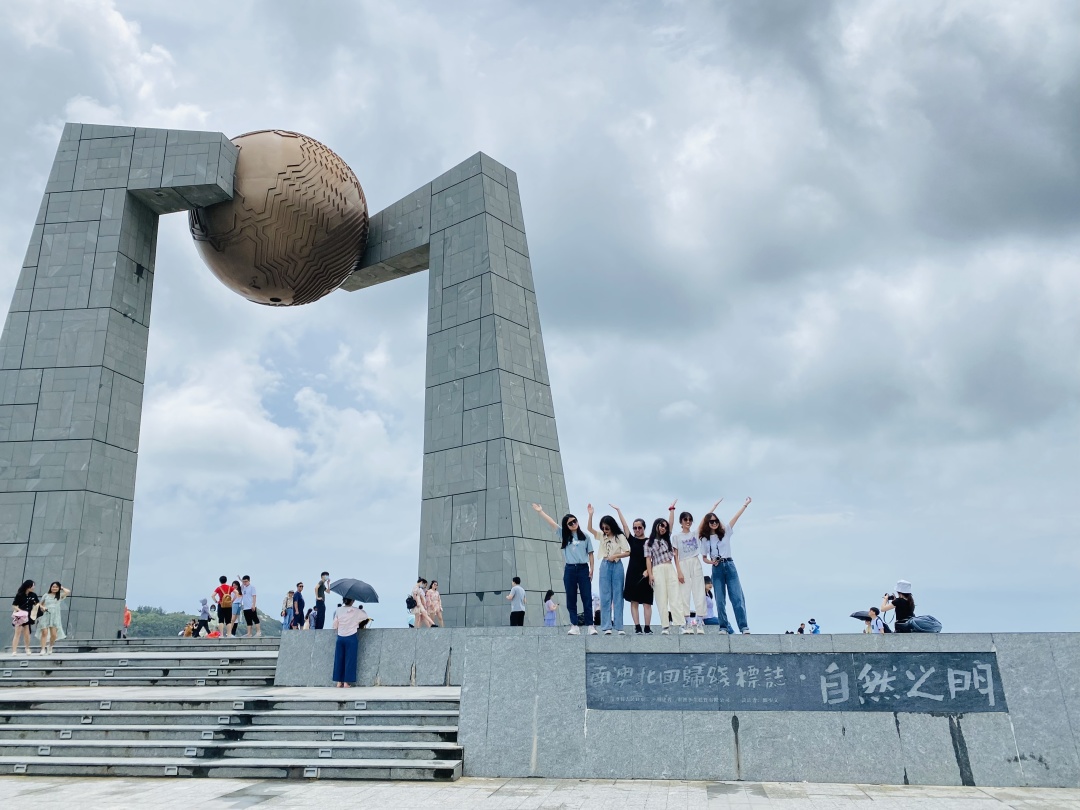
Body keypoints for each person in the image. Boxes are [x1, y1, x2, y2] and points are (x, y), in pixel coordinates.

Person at [532, 503, 597, 635]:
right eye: (570, 523)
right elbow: (552, 523)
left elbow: (590, 554)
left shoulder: (585, 536)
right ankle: (574, 625)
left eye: (574, 521)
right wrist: (540, 511)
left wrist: (592, 569)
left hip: (583, 568)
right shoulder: (564, 535)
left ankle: (590, 625)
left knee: (586, 597)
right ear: (566, 526)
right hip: (570, 569)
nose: (573, 524)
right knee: (571, 598)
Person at [700, 497, 753, 634]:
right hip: (716, 568)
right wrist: (712, 562)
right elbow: (704, 558)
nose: (714, 523)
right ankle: (723, 627)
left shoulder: (726, 532)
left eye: (716, 521)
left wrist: (745, 504)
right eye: (711, 521)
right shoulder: (705, 539)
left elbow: (736, 517)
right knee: (720, 600)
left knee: (737, 597)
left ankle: (743, 627)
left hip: (729, 565)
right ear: (707, 523)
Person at [668, 498, 721, 633]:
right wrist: (679, 571)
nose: (688, 522)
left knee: (699, 592)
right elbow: (675, 555)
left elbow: (704, 519)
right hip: (683, 563)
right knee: (684, 593)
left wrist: (714, 506)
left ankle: (699, 623)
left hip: (695, 561)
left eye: (690, 520)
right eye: (685, 519)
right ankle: (687, 623)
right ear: (681, 522)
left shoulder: (695, 533)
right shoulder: (676, 537)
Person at [585, 505, 630, 635]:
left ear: (612, 526)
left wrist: (615, 556)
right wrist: (590, 515)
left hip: (617, 565)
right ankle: (606, 626)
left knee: (618, 595)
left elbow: (628, 552)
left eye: (607, 528)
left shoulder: (620, 537)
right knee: (605, 596)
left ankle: (619, 626)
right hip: (605, 565)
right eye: (603, 528)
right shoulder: (602, 536)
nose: (605, 530)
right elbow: (589, 529)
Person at [611, 506, 653, 634]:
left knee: (647, 602)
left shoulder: (650, 541)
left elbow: (654, 558)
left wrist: (649, 572)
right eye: (635, 528)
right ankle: (637, 626)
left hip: (646, 573)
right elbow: (624, 526)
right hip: (632, 573)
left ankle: (647, 627)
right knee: (633, 601)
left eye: (639, 527)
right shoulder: (632, 540)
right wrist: (619, 511)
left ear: (644, 528)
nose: (637, 530)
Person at [644, 517, 685, 634]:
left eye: (665, 527)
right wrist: (650, 574)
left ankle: (680, 624)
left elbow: (671, 523)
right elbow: (648, 560)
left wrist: (672, 510)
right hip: (657, 568)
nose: (663, 528)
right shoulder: (648, 542)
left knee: (675, 596)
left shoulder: (667, 540)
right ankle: (665, 626)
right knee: (661, 598)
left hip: (669, 567)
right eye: (661, 526)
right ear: (656, 525)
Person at [332, 597, 366, 687]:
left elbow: (335, 625)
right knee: (350, 660)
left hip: (340, 637)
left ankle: (339, 682)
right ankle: (346, 682)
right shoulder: (356, 611)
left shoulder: (338, 610)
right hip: (351, 637)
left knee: (339, 659)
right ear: (353, 601)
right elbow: (365, 616)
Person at [36, 581, 71, 654]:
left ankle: (50, 646)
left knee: (54, 635)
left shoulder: (59, 596)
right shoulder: (46, 595)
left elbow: (68, 591)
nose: (54, 588)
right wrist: (43, 607)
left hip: (55, 616)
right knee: (44, 632)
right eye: (53, 587)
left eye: (56, 587)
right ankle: (43, 649)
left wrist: (62, 588)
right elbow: (39, 604)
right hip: (45, 615)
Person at [10, 580, 39, 655]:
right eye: (32, 585)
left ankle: (27, 648)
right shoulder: (20, 595)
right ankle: (14, 650)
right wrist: (20, 611)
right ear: (28, 586)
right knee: (17, 633)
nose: (33, 587)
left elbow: (37, 603)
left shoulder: (33, 595)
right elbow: (14, 605)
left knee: (27, 633)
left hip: (28, 616)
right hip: (20, 616)